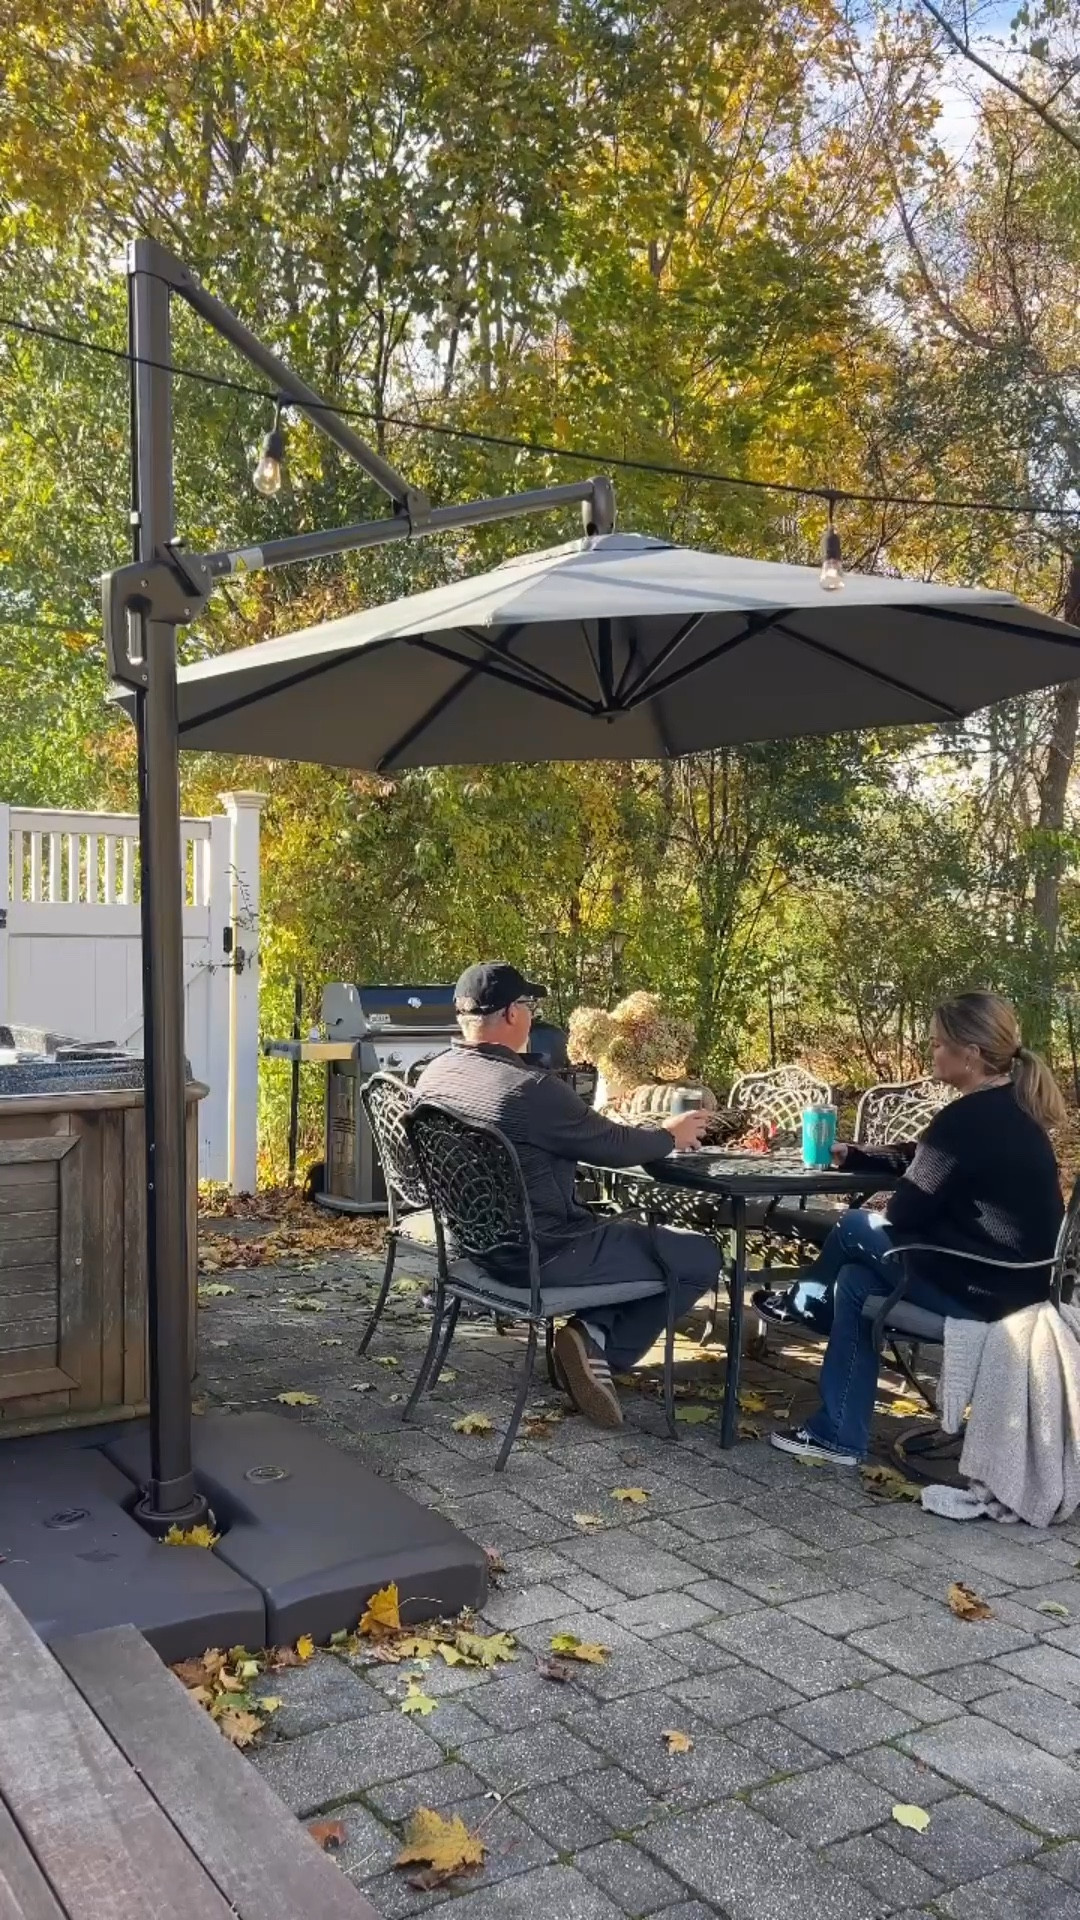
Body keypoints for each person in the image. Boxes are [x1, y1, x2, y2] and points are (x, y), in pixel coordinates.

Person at [413, 961, 718, 1428]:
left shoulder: (434, 1075)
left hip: (472, 1246)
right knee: (699, 1256)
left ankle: (590, 1332)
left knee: (633, 1241)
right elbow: (614, 1145)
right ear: (512, 1013)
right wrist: (668, 1135)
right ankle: (596, 1344)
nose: (532, 1016)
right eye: (529, 1006)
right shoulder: (531, 1090)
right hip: (547, 1254)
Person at [768, 991, 1066, 1466]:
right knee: (856, 1283)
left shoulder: (966, 1118)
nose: (931, 1052)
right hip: (1017, 1285)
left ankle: (804, 1306)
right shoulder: (1012, 1106)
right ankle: (837, 1435)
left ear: (970, 1053)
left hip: (982, 1291)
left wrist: (899, 1191)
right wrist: (859, 1155)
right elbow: (928, 1155)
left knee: (854, 1225)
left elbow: (904, 1215)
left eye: (937, 1044)